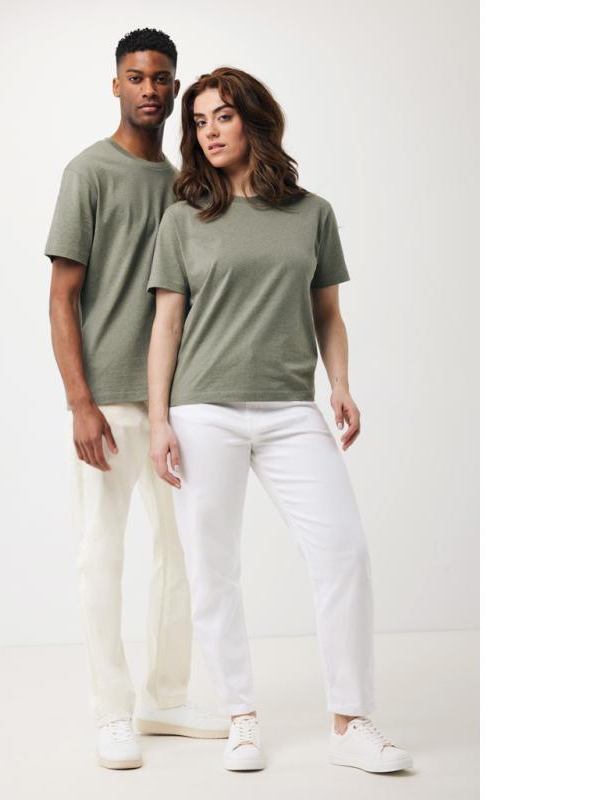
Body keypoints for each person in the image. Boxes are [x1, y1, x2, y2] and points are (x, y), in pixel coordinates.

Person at [146, 67, 413, 773]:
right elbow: (166, 324)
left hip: (291, 408)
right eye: (199, 120)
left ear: (255, 120)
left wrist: (341, 386)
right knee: (213, 568)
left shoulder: (311, 213)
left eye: (223, 115)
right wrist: (159, 420)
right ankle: (240, 716)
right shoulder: (184, 219)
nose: (209, 130)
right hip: (202, 410)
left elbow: (328, 312)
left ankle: (351, 723)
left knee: (344, 552)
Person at [44, 30, 228, 771]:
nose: (149, 88)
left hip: (179, 404)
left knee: (183, 553)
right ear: (116, 85)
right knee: (100, 557)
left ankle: (166, 696)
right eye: (135, 76)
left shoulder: (189, 184)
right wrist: (79, 402)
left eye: (161, 78)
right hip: (109, 404)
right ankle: (112, 713)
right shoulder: (88, 172)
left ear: (175, 88)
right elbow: (62, 296)